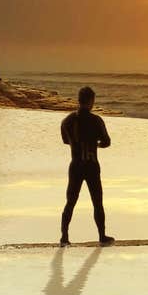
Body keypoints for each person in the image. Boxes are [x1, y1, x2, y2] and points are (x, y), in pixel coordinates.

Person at [59, 86, 114, 246]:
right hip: (91, 164)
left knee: (70, 201)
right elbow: (107, 142)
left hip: (75, 165)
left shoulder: (68, 121)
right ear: (91, 101)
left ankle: (64, 237)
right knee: (97, 202)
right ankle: (102, 236)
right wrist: (95, 145)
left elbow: (65, 140)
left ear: (79, 99)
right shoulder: (96, 120)